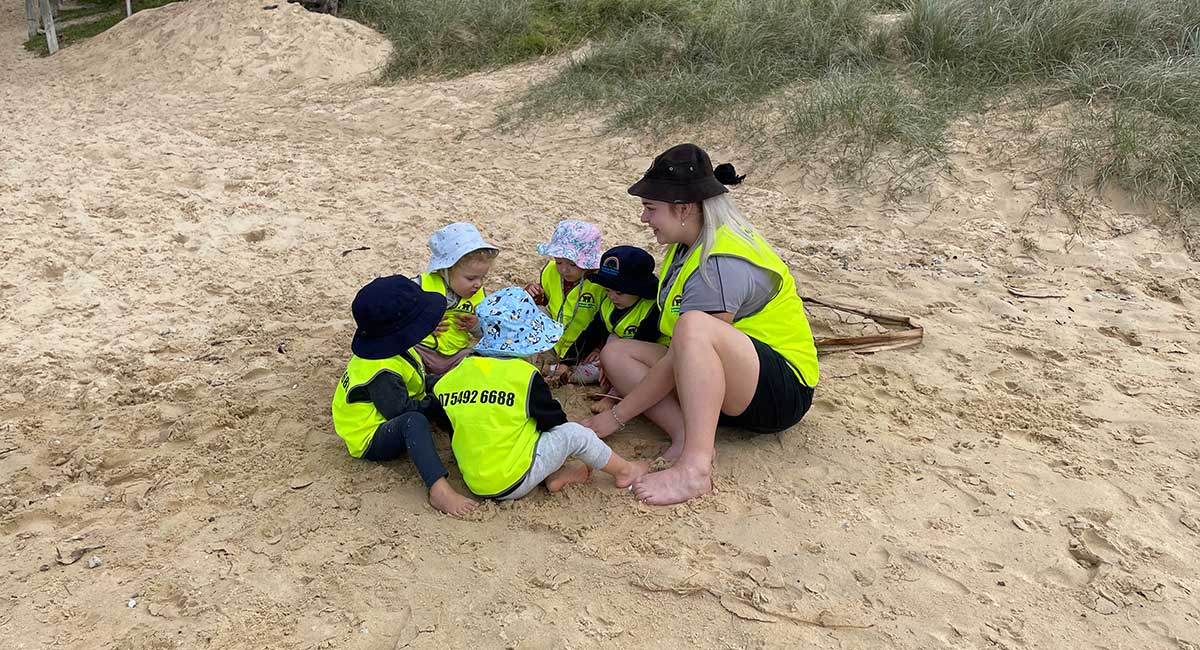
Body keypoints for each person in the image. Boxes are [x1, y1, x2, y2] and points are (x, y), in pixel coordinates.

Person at [583, 144, 820, 505]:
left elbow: (687, 348)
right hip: (732, 379)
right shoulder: (689, 241)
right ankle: (685, 433)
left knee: (695, 327)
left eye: (650, 208)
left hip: (780, 391)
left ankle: (695, 468)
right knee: (618, 351)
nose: (645, 219)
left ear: (683, 209)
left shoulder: (721, 262)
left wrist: (618, 415)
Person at [435, 287, 649, 501]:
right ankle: (625, 471)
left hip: (473, 478)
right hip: (512, 479)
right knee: (573, 434)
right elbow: (554, 421)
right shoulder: (524, 376)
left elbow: (446, 418)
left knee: (508, 424)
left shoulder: (456, 374)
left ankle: (556, 474)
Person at [331, 275, 478, 516]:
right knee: (415, 421)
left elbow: (417, 379)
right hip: (369, 436)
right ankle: (438, 488)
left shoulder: (394, 347)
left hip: (394, 405)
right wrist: (435, 400)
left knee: (445, 394)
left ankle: (469, 448)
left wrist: (447, 385)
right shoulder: (381, 372)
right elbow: (401, 410)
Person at [572, 246, 668, 411]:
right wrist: (571, 360)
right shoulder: (610, 302)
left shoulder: (652, 309)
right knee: (611, 339)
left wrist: (611, 366)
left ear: (639, 290)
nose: (611, 296)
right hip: (620, 350)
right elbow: (593, 331)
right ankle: (585, 374)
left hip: (655, 357)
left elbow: (641, 343)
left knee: (617, 350)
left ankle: (613, 395)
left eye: (619, 293)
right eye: (608, 290)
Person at [523, 220, 604, 385]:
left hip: (584, 348)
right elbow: (545, 303)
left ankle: (560, 371)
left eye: (573, 265)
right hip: (551, 342)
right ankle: (546, 366)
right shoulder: (550, 271)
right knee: (534, 311)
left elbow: (604, 322)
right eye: (559, 262)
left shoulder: (600, 283)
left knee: (600, 368)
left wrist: (598, 348)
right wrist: (533, 293)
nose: (564, 270)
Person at [414, 223, 499, 379]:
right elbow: (397, 318)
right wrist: (421, 324)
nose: (478, 284)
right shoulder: (421, 287)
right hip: (422, 350)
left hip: (456, 355)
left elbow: (490, 332)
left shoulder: (479, 296)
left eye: (483, 278)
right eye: (471, 278)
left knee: (478, 361)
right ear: (444, 270)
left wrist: (476, 325)